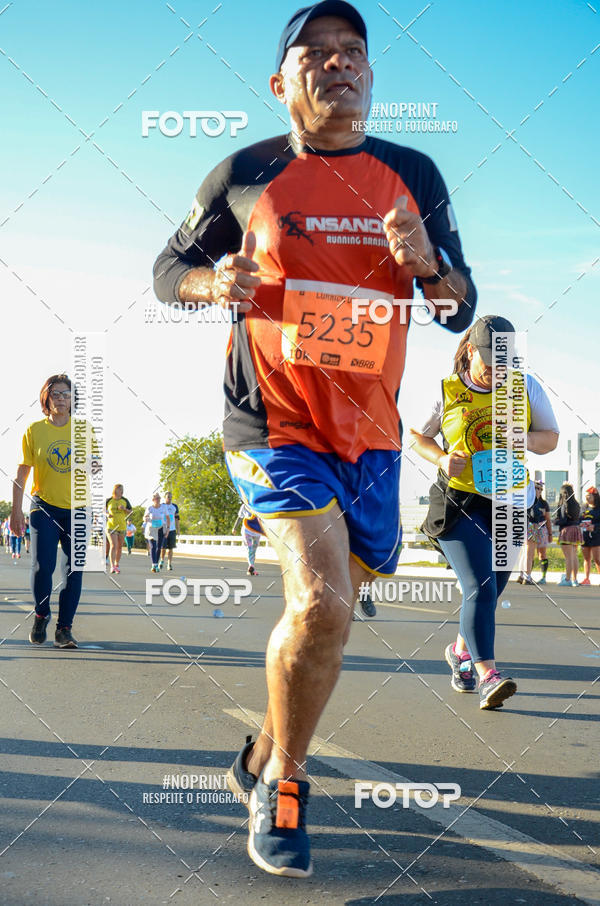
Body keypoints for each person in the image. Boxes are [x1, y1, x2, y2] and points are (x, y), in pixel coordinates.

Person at [153, 0, 477, 878]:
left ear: (370, 76)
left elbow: (459, 309)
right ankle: (286, 786)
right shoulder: (244, 173)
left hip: (368, 436)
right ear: (281, 82)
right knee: (325, 603)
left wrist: (427, 269)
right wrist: (209, 283)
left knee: (337, 603)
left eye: (353, 53)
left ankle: (263, 751)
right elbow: (165, 270)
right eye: (317, 54)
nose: (338, 64)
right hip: (272, 421)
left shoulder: (415, 171)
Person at [410, 316, 559, 710]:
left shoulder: (524, 387)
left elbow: (551, 439)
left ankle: (460, 652)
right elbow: (417, 436)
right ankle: (488, 675)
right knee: (480, 586)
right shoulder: (448, 389)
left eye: (505, 362)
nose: (497, 370)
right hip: (460, 502)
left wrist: (522, 437)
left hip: (510, 502)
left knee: (491, 592)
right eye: (490, 360)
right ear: (470, 350)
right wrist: (442, 458)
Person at [11, 374, 89, 648]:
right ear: (47, 398)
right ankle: (41, 614)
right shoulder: (35, 430)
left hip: (78, 509)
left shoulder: (84, 430)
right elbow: (22, 473)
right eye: (56, 394)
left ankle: (64, 629)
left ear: (72, 399)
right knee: (44, 566)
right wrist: (15, 511)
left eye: (66, 394)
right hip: (44, 506)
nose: (62, 399)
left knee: (75, 569)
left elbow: (93, 467)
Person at [518, 480, 552, 585]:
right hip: (531, 526)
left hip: (530, 527)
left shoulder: (535, 501)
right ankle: (526, 576)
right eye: (537, 488)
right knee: (529, 553)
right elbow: (534, 514)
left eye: (541, 489)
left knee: (526, 552)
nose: (539, 490)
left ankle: (522, 574)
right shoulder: (531, 500)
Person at [554, 483, 582, 586]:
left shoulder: (564, 505)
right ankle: (575, 579)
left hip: (567, 530)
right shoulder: (576, 504)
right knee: (573, 555)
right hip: (575, 529)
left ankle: (567, 579)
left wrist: (555, 522)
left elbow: (563, 520)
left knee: (568, 557)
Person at [105, 483, 133, 574]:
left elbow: (131, 512)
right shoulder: (109, 500)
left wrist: (124, 509)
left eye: (122, 490)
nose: (121, 491)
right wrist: (107, 514)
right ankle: (112, 566)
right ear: (115, 490)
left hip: (122, 527)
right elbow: (103, 510)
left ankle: (117, 564)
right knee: (113, 545)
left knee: (119, 547)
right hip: (111, 527)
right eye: (120, 490)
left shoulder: (125, 500)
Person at [144, 493, 169, 572]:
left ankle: (156, 564)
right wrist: (145, 518)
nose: (158, 500)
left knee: (159, 547)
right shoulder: (150, 508)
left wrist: (168, 529)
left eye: (159, 498)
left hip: (161, 528)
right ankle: (154, 565)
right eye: (156, 498)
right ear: (153, 500)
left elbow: (168, 518)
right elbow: (145, 517)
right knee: (153, 546)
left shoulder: (163, 507)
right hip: (151, 528)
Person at [580, 486, 600, 585]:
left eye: (589, 496)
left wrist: (594, 526)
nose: (587, 498)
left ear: (595, 497)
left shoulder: (599, 509)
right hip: (585, 536)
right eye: (586, 496)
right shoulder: (584, 508)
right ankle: (586, 579)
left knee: (597, 559)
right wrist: (580, 523)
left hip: (597, 536)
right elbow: (579, 519)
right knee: (586, 558)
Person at [240, 504, 264, 576]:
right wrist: (234, 528)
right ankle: (251, 566)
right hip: (247, 531)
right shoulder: (244, 506)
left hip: (257, 531)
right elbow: (240, 517)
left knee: (254, 549)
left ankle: (251, 567)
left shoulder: (260, 505)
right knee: (250, 549)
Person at [159, 491, 180, 570]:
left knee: (171, 548)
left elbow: (177, 519)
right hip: (163, 529)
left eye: (171, 497)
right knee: (163, 548)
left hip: (172, 529)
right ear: (165, 498)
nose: (170, 498)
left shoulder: (174, 506)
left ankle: (169, 564)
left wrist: (178, 530)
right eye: (168, 497)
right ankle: (161, 560)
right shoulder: (161, 506)